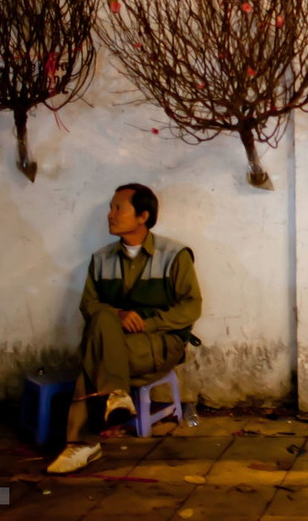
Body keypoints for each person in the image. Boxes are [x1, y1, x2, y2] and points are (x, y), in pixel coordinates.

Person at [47, 183, 202, 474]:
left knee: (94, 357)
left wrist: (148, 323)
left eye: (118, 208)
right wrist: (118, 314)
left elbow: (191, 306)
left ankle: (82, 443)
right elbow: (88, 305)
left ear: (143, 216)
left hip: (160, 342)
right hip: (117, 343)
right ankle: (115, 395)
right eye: (111, 208)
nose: (110, 215)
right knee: (104, 319)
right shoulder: (101, 259)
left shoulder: (174, 254)